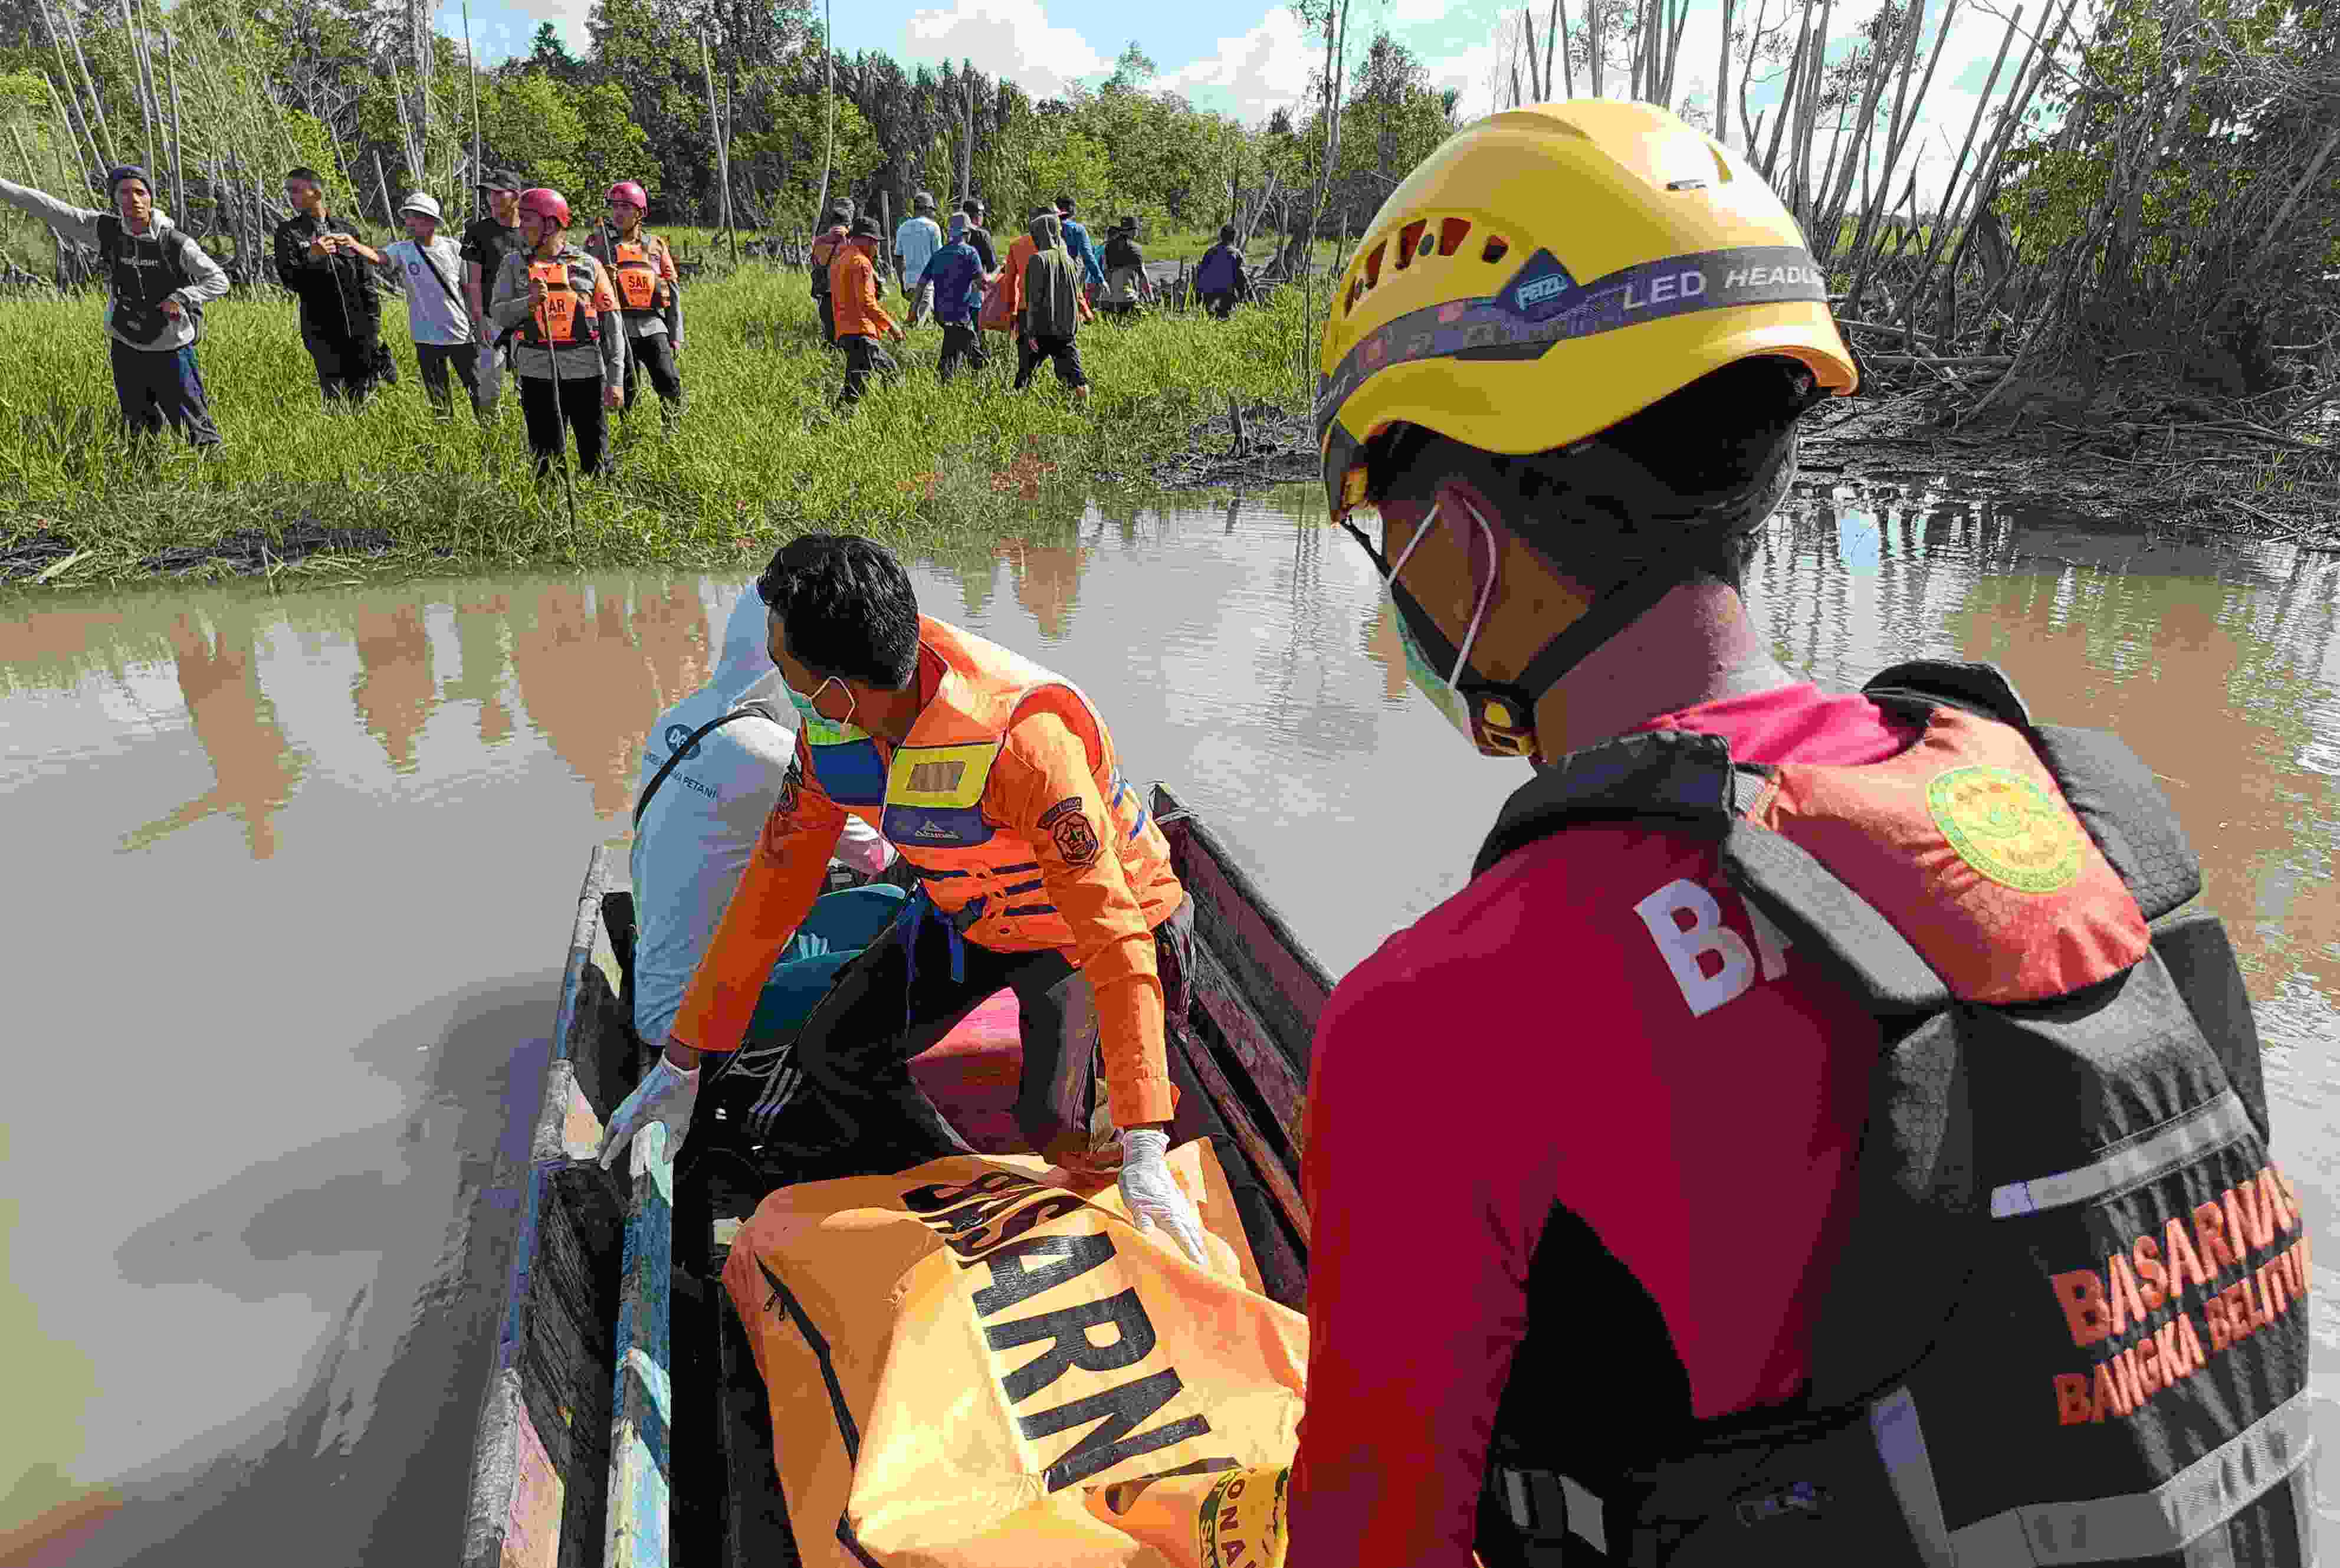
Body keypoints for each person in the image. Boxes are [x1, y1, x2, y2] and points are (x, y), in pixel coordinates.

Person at [1287, 100, 2308, 1568]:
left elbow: (1367, 1541)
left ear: (1456, 523)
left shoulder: (1450, 1006)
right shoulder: (2075, 805)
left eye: (1377, 518)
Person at [598, 534, 1215, 1272]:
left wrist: (1146, 1138)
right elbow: (771, 892)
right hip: (970, 911)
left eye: (784, 666)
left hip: (1083, 928)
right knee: (835, 1053)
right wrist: (684, 1060)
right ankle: (977, 1201)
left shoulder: (1023, 742)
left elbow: (1113, 932)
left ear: (838, 687)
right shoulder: (829, 734)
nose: (778, 682)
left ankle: (1126, 1201)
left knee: (1054, 1127)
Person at [622, 588, 895, 1076]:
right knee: (898, 942)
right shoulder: (765, 749)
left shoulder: (681, 716)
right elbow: (878, 856)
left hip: (660, 987)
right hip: (696, 1022)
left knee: (876, 908)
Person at [0, 163, 226, 446]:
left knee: (195, 423)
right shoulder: (104, 231)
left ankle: (215, 476)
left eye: (140, 192)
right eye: (125, 193)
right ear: (115, 199)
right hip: (125, 341)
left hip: (171, 346)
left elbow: (218, 280)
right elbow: (46, 206)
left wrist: (182, 297)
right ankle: (145, 478)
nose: (134, 199)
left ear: (150, 198)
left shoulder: (175, 243)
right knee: (138, 424)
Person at [488, 186, 625, 479]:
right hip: (537, 371)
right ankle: (550, 513)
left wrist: (616, 379)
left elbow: (612, 323)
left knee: (596, 450)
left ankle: (601, 507)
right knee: (546, 455)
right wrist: (528, 302)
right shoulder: (513, 264)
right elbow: (498, 312)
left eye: (527, 219)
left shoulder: (588, 265)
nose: (520, 226)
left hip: (586, 369)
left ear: (550, 224)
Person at [273, 167, 389, 406]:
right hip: (321, 328)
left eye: (295, 191)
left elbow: (366, 281)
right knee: (334, 397)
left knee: (363, 396)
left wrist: (374, 324)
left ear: (316, 193)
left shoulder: (347, 230)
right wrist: (312, 258)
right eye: (288, 192)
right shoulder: (289, 233)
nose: (290, 197)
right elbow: (290, 280)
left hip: (359, 326)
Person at [583, 180, 685, 427]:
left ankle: (671, 431)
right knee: (628, 388)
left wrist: (676, 333)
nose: (618, 213)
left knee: (669, 380)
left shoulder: (656, 246)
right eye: (615, 206)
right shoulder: (599, 246)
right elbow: (583, 285)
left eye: (626, 207)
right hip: (618, 327)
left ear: (640, 213)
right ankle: (630, 434)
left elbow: (672, 291)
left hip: (653, 325)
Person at [381, 192, 483, 421]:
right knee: (438, 397)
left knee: (477, 389)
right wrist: (354, 245)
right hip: (426, 336)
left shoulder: (453, 248)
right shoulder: (402, 250)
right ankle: (445, 437)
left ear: (431, 222)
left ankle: (489, 434)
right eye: (407, 217)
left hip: (460, 334)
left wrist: (477, 323)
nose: (409, 223)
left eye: (415, 217)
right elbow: (380, 259)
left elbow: (469, 288)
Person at [461, 169, 527, 418]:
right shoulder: (477, 233)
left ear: (517, 196)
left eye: (500, 193)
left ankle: (532, 438)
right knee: (489, 387)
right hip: (492, 319)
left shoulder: (532, 230)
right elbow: (473, 283)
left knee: (530, 386)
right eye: (490, 193)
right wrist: (478, 321)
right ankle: (491, 438)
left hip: (527, 319)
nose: (493, 199)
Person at [829, 213, 906, 407]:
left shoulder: (840, 261)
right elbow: (867, 303)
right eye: (874, 242)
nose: (877, 247)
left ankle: (838, 420)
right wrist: (892, 326)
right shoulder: (861, 264)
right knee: (892, 372)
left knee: (855, 385)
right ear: (864, 240)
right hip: (860, 331)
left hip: (845, 331)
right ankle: (895, 411)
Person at [1013, 210, 1091, 401]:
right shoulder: (1069, 260)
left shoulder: (1037, 260)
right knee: (1076, 377)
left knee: (1025, 375)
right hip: (1066, 329)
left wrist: (1031, 331)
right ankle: (1086, 410)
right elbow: (1076, 293)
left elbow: (1034, 300)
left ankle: (1018, 408)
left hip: (1043, 329)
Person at [920, 210, 993, 384]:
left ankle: (945, 383)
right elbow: (982, 284)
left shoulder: (939, 255)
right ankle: (982, 389)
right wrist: (996, 275)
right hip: (960, 316)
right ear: (967, 233)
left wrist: (913, 310)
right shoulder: (970, 253)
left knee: (951, 348)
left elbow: (922, 283)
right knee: (978, 359)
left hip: (941, 315)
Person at [892, 190, 943, 328]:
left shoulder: (903, 228)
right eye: (933, 209)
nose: (934, 213)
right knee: (922, 324)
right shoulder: (933, 228)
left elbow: (898, 258)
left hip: (909, 282)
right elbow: (939, 258)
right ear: (927, 209)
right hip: (928, 283)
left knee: (920, 319)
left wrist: (902, 284)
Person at [808, 199, 853, 347]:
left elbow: (815, 264)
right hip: (848, 294)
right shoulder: (851, 241)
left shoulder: (819, 242)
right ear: (847, 223)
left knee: (830, 335)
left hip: (826, 294)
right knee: (849, 335)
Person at [1052, 192, 1106, 301]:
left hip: (1049, 271)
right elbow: (1088, 256)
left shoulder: (1045, 227)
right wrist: (1100, 279)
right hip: (1070, 272)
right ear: (1072, 210)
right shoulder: (1077, 229)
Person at [1096, 215, 1151, 320]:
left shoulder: (1108, 246)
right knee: (1142, 321)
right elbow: (1143, 275)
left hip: (1106, 300)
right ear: (1134, 230)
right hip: (1126, 299)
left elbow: (1105, 271)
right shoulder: (1134, 248)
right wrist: (1150, 297)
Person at [1196, 224, 1250, 319]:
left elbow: (1201, 275)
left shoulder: (1210, 252)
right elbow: (1242, 278)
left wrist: (1198, 297)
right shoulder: (1236, 254)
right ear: (1234, 238)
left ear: (1221, 236)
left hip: (1209, 296)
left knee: (1211, 322)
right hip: (1227, 296)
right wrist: (1243, 296)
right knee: (1224, 321)